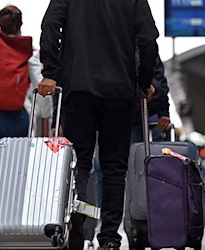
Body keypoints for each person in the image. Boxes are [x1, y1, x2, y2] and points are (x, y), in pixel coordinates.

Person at [38, 0, 159, 249]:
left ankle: (76, 227)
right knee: (114, 168)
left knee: (78, 163)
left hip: (78, 88)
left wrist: (51, 71)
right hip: (119, 91)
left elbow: (50, 25)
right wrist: (144, 81)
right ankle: (109, 239)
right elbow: (147, 38)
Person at [0, 5, 52, 190]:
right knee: (15, 173)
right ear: (20, 26)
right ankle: (11, 215)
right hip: (16, 118)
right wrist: (46, 113)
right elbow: (41, 86)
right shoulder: (28, 53)